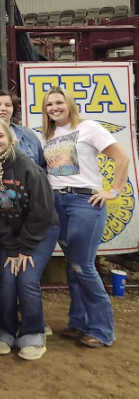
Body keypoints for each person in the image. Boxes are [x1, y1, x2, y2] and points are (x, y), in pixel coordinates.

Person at [40, 86, 129, 349]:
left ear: (69, 103)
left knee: (83, 266)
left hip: (83, 202)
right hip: (58, 203)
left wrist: (113, 191)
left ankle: (102, 329)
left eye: (59, 102)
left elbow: (121, 157)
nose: (54, 108)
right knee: (72, 264)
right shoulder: (49, 135)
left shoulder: (89, 127)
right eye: (49, 105)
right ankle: (78, 322)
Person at [0, 118, 60, 361]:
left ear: (11, 139)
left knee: (27, 279)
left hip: (39, 232)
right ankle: (5, 331)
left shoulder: (27, 167)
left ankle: (33, 334)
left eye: (0, 136)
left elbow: (42, 211)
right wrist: (10, 247)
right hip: (8, 234)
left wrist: (25, 248)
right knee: (6, 279)